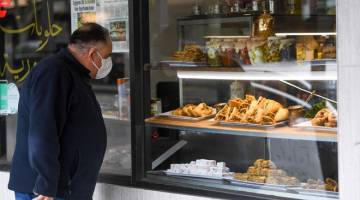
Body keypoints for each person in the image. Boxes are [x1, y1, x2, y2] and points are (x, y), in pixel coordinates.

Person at [8, 23, 113, 200]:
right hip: (48, 191)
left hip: (64, 188)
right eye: (107, 56)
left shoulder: (72, 73)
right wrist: (46, 185)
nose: (108, 62)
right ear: (92, 54)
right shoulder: (54, 73)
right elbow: (43, 131)